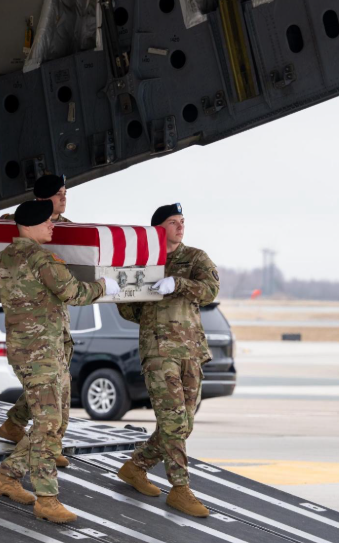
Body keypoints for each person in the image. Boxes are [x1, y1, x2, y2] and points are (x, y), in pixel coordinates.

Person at [0, 199, 118, 522]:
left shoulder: (2, 260)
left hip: (29, 352)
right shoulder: (42, 260)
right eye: (47, 222)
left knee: (52, 420)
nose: (52, 225)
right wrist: (103, 287)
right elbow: (74, 294)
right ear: (29, 226)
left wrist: (17, 293)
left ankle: (8, 476)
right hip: (41, 354)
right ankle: (46, 498)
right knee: (48, 422)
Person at [115, 203, 219, 518]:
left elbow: (210, 289)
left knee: (182, 424)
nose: (180, 226)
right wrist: (150, 304)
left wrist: (179, 284)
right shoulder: (144, 261)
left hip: (191, 351)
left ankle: (136, 466)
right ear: (159, 228)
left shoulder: (196, 258)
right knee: (174, 421)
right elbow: (126, 306)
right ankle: (179, 489)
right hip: (159, 352)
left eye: (182, 221)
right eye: (173, 222)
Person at [0, 175, 72, 469]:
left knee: (53, 383)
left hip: (55, 317)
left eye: (66, 193)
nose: (64, 199)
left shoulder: (68, 227)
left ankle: (19, 425)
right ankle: (49, 444)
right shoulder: (17, 221)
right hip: (32, 322)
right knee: (52, 385)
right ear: (41, 200)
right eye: (59, 194)